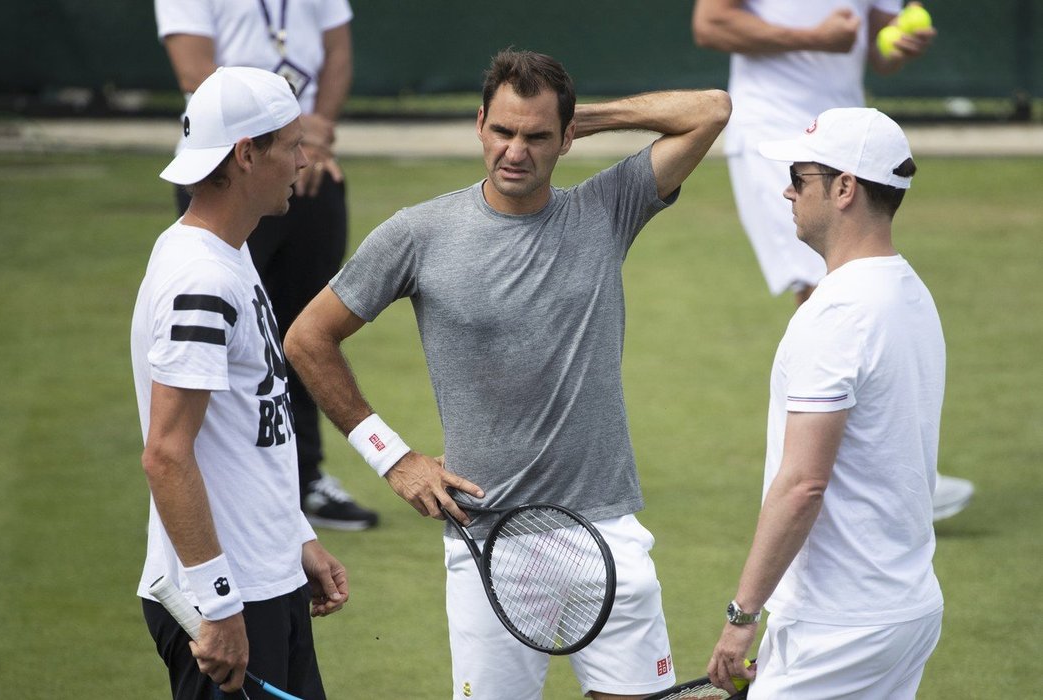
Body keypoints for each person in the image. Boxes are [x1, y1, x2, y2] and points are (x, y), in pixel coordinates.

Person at [284, 49, 731, 700]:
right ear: (479, 125)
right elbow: (307, 338)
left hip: (608, 536)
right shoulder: (419, 234)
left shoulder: (608, 209)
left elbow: (709, 111)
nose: (515, 150)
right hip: (489, 546)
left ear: (565, 138)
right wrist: (394, 458)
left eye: (537, 135)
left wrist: (583, 118)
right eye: (502, 130)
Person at [691, 0, 973, 521]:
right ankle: (846, 475)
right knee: (826, 291)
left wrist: (896, 45)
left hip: (849, 135)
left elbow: (876, 46)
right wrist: (815, 38)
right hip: (774, 129)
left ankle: (869, 470)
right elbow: (711, 23)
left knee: (858, 278)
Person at [707, 107, 944, 698]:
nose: (788, 191)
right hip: (904, 608)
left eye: (800, 176)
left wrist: (742, 617)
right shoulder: (909, 293)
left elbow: (803, 483)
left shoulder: (836, 315)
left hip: (839, 626)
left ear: (845, 189)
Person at [131, 66, 348, 699]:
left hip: (264, 577)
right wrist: (219, 604)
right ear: (246, 155)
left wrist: (296, 538)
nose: (305, 161)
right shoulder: (200, 278)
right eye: (290, 144)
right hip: (228, 598)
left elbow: (251, 426)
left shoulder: (231, 252)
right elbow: (166, 454)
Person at [154, 0, 379, 530]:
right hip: (235, 159)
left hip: (299, 154)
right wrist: (275, 135)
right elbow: (194, 70)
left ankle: (302, 477)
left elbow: (338, 51)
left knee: (304, 328)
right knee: (229, 340)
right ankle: (212, 483)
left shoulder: (300, 154)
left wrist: (310, 137)